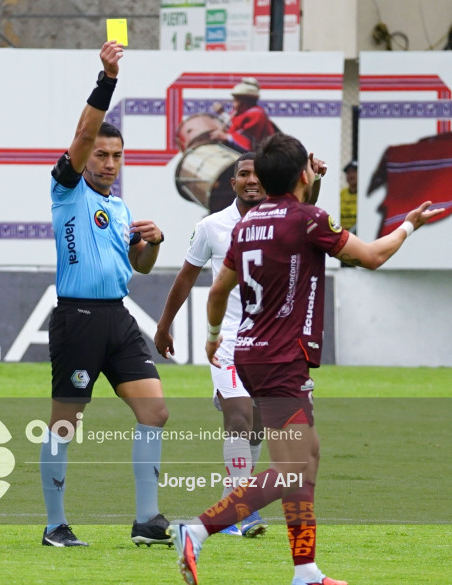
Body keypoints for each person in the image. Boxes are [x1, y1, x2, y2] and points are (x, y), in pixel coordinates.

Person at [169, 133, 442, 585]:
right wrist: (409, 224)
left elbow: (218, 290)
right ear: (303, 174)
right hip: (280, 360)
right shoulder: (309, 219)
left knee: (306, 459)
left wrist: (215, 336)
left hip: (255, 352)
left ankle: (307, 570)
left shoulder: (248, 225)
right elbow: (372, 256)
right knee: (292, 467)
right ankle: (198, 529)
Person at [40, 40, 170, 548]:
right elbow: (82, 132)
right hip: (77, 319)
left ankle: (147, 520)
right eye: (102, 154)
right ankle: (55, 526)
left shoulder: (119, 207)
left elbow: (138, 266)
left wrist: (153, 244)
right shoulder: (66, 189)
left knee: (155, 411)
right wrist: (108, 78)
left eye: (117, 156)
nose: (110, 162)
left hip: (118, 318)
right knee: (66, 425)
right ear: (86, 155)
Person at [155, 152, 271, 538]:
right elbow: (185, 278)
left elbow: (309, 207)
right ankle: (244, 510)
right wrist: (164, 325)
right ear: (233, 182)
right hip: (225, 339)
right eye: (243, 174)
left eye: (257, 174)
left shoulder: (278, 225)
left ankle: (228, 503)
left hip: (267, 343)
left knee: (255, 427)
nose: (251, 180)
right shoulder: (211, 227)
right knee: (238, 416)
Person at [210, 77, 277, 152]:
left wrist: (226, 137)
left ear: (245, 101)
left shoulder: (256, 115)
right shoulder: (240, 112)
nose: (233, 104)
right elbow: (234, 125)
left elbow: (248, 140)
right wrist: (222, 113)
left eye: (236, 100)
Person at [339, 160, 357, 233]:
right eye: (348, 172)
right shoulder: (341, 194)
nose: (351, 175)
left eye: (354, 172)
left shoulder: (364, 197)